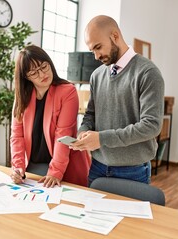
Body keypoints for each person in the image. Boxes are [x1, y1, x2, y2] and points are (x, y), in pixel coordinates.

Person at [70, 15, 165, 186]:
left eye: (98, 47)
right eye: (92, 50)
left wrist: (101, 139)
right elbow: (90, 114)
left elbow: (152, 126)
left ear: (115, 36)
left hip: (133, 171)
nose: (96, 56)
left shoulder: (148, 73)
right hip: (98, 167)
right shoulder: (97, 76)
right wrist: (83, 133)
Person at [10, 45, 90, 187]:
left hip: (66, 169)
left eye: (43, 67)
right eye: (34, 73)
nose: (42, 74)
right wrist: (18, 167)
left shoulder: (67, 92)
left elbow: (62, 135)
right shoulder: (22, 97)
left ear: (49, 62)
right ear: (26, 77)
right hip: (35, 170)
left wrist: (55, 172)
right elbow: (17, 136)